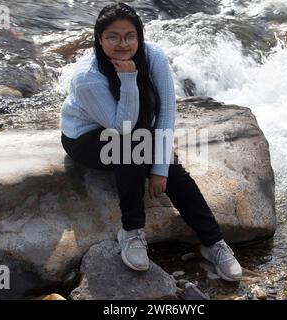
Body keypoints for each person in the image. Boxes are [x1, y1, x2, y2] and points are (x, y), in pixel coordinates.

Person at [60, 2, 242, 281]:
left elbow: (167, 110)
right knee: (132, 145)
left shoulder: (154, 56)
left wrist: (160, 168)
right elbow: (123, 127)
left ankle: (213, 242)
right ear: (99, 39)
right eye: (113, 36)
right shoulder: (88, 77)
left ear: (139, 36)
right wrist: (129, 78)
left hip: (133, 130)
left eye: (130, 36)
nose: (123, 44)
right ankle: (131, 231)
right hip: (86, 138)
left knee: (171, 168)